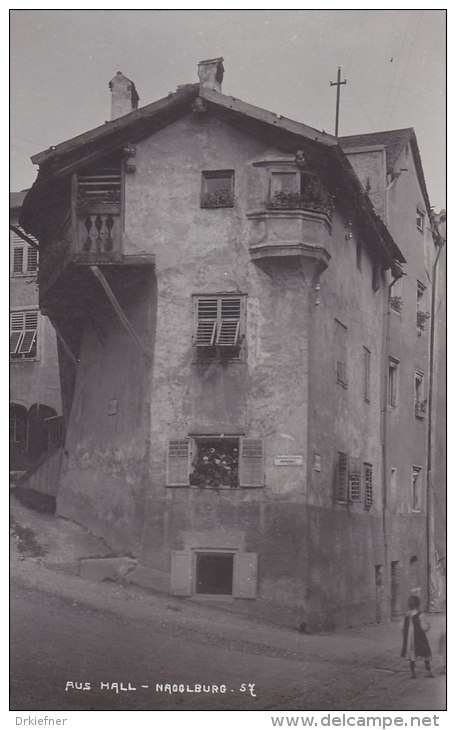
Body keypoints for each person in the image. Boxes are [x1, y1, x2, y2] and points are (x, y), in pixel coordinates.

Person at [401, 595, 433, 678]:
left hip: (409, 639)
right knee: (425, 652)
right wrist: (428, 625)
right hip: (419, 638)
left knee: (412, 655)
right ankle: (428, 671)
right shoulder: (420, 615)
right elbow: (424, 627)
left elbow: (401, 627)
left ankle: (412, 672)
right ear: (418, 604)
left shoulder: (406, 615)